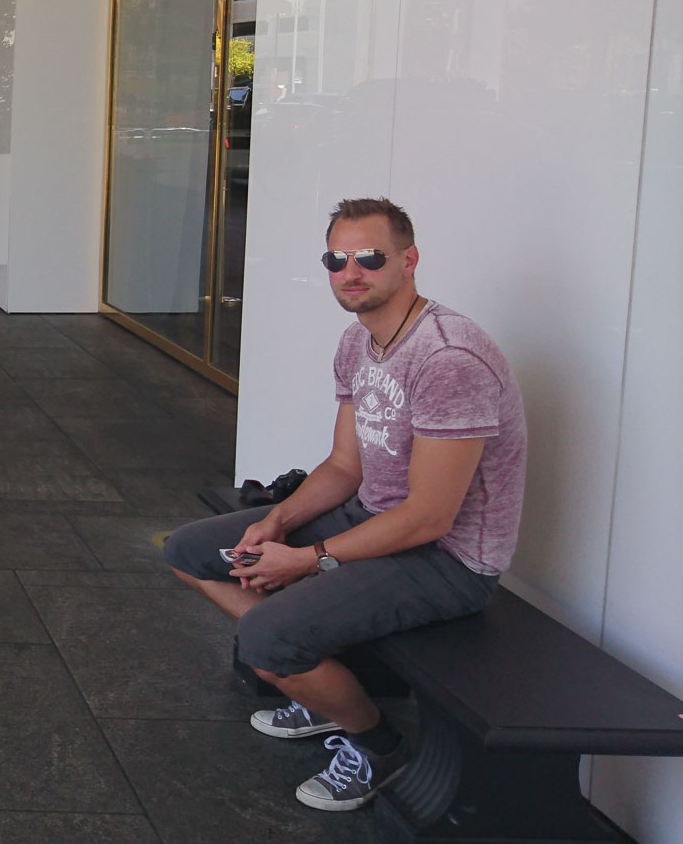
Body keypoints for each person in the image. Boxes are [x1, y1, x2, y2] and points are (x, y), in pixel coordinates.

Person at [161, 198, 526, 814]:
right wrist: (276, 521)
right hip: (371, 518)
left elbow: (430, 517)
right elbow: (343, 467)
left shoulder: (448, 360)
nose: (350, 272)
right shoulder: (359, 342)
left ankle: (378, 745)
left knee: (266, 639)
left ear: (409, 260)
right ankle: (317, 688)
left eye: (370, 257)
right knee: (189, 552)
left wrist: (308, 560)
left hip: (448, 559)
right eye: (336, 259)